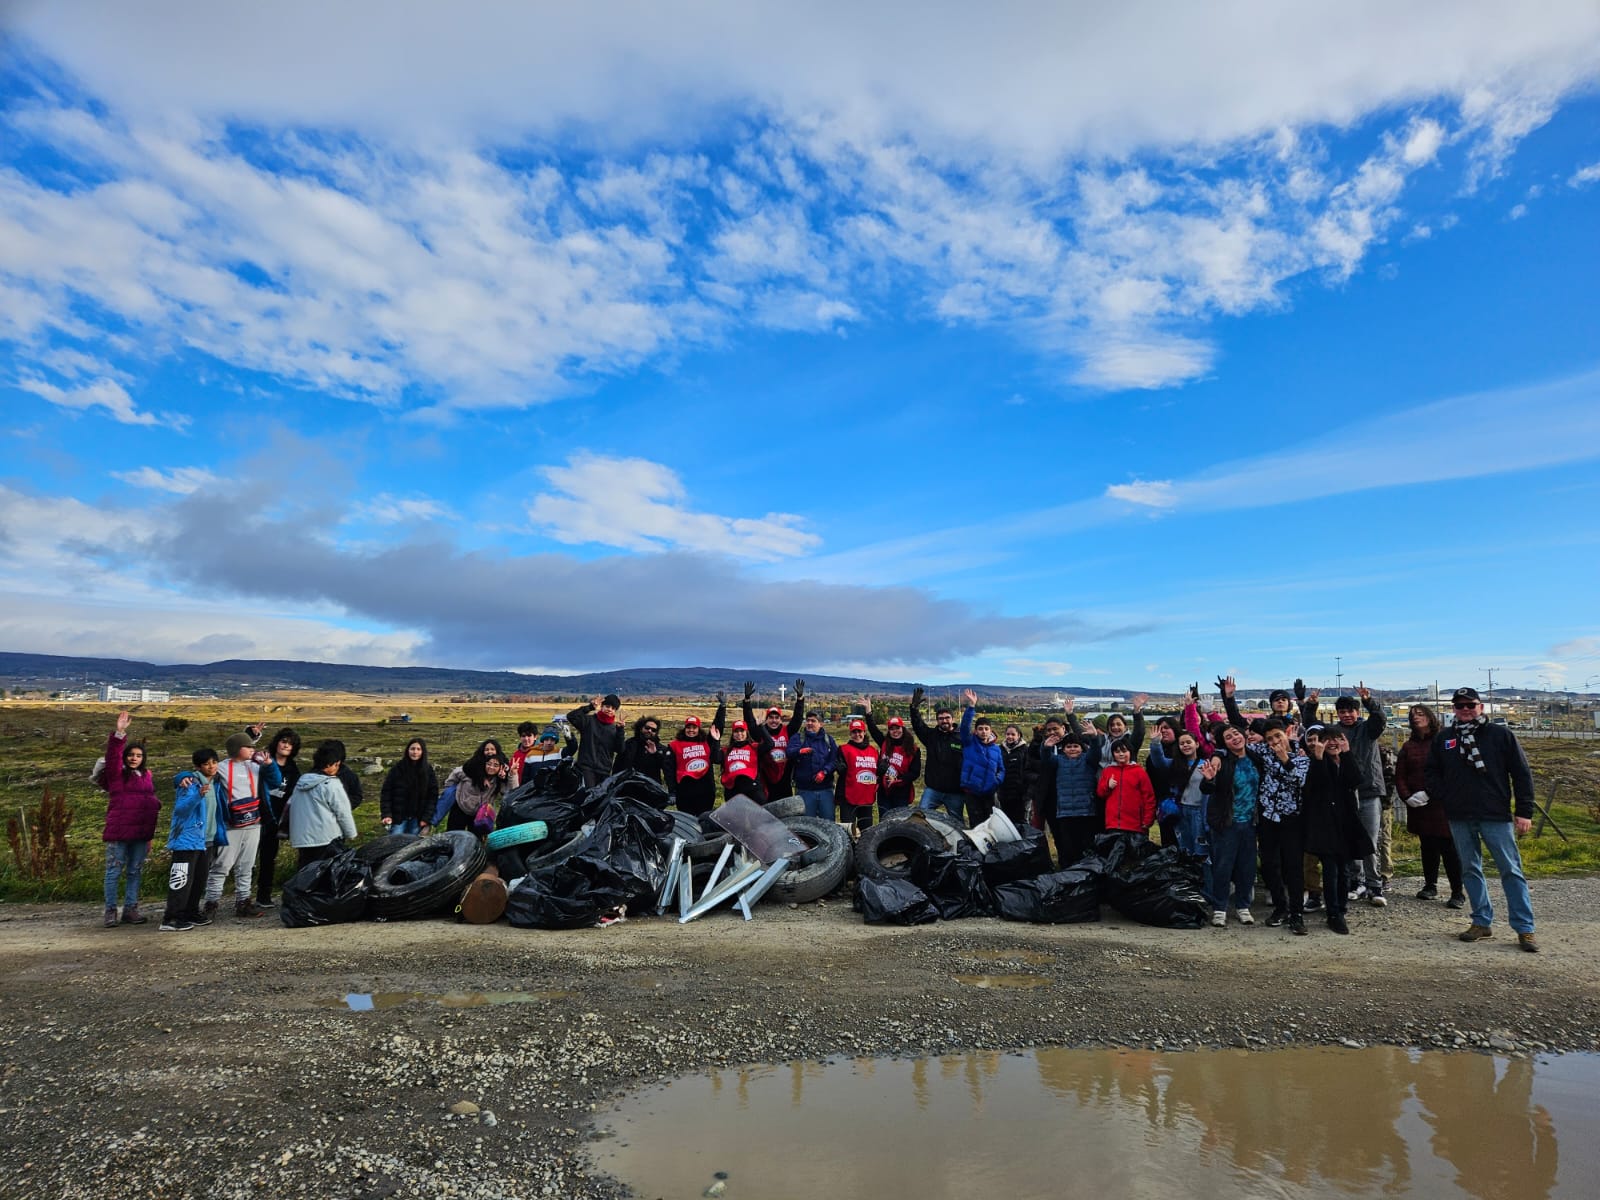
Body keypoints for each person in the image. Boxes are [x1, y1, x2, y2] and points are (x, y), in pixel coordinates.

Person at [1425, 687, 1539, 952]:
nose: (1465, 710)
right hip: (1459, 815)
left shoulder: (1500, 735)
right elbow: (1432, 771)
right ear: (1452, 709)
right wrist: (1445, 795)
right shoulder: (1444, 738)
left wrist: (1524, 811)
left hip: (1494, 814)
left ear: (1481, 707)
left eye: (1470, 705)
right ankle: (1481, 921)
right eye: (1459, 706)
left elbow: (1521, 774)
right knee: (1470, 868)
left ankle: (1525, 928)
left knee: (1511, 870)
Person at [1222, 677, 1310, 933]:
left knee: (1293, 866)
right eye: (1269, 738)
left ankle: (1297, 913)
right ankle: (1280, 906)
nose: (1273, 742)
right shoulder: (1261, 752)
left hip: (1292, 819)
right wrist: (1228, 700)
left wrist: (1285, 755)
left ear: (1287, 734)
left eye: (1277, 737)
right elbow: (1239, 728)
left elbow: (1298, 780)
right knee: (1270, 864)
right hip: (1268, 819)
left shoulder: (1301, 758)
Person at [1304, 682, 1387, 906]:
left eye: (1351, 710)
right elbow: (1311, 727)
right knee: (1348, 839)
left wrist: (1370, 701)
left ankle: (1374, 884)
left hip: (1368, 790)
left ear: (1357, 712)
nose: (1347, 715)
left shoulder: (1366, 729)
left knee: (1369, 840)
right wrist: (1311, 706)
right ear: (1337, 714)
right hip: (1343, 794)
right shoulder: (1334, 732)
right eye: (1342, 711)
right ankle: (1355, 881)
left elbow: (1380, 720)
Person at [1302, 724, 1371, 935]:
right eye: (1328, 739)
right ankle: (1333, 912)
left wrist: (1347, 753)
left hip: (1346, 823)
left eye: (1337, 738)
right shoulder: (1314, 763)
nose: (1333, 743)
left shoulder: (1348, 759)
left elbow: (1356, 780)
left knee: (1344, 870)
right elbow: (1319, 784)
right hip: (1325, 825)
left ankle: (1341, 906)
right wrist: (1319, 758)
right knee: (1331, 870)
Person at [1396, 704, 1464, 908]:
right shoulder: (1409, 746)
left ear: (1430, 716)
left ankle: (1457, 891)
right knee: (1427, 845)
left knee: (1448, 847)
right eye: (1412, 715)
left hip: (1442, 803)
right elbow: (1400, 775)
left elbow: (1451, 771)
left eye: (1420, 713)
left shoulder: (1444, 740)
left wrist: (1430, 792)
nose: (1416, 718)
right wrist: (1407, 797)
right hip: (1419, 805)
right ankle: (1430, 885)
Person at [98, 710, 159, 928]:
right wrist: (119, 733)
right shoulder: (117, 775)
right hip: (119, 833)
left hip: (141, 834)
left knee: (135, 871)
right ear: (125, 757)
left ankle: (131, 909)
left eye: (139, 755)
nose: (134, 758)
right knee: (114, 871)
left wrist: (150, 836)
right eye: (131, 755)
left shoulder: (147, 776)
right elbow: (112, 758)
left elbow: (150, 808)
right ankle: (110, 911)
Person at [159, 748, 227, 932]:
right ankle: (172, 918)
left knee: (199, 880)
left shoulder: (217, 781)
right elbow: (181, 810)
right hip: (187, 840)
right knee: (181, 880)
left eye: (214, 762)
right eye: (206, 763)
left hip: (207, 840)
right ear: (198, 766)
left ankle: (190, 912)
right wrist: (198, 796)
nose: (212, 766)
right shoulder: (190, 783)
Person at [1199, 725, 1259, 927]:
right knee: (1223, 867)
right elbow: (1207, 787)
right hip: (1227, 823)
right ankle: (1220, 908)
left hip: (1251, 823)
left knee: (1247, 867)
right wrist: (1208, 780)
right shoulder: (1222, 761)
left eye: (1236, 733)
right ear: (1223, 743)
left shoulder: (1255, 758)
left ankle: (1243, 906)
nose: (1234, 738)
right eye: (1228, 737)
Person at [205, 730, 266, 920]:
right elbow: (200, 772)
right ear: (237, 749)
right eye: (248, 746)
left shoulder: (255, 766)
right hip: (231, 825)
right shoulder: (222, 767)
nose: (252, 749)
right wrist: (181, 778)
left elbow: (274, 774)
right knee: (222, 865)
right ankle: (210, 903)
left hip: (254, 823)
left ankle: (243, 902)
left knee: (247, 866)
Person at [1037, 727, 1102, 868]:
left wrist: (1095, 738)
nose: (1072, 749)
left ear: (1082, 748)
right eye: (1068, 746)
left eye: (1076, 746)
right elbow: (1046, 759)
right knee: (1068, 846)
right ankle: (1069, 871)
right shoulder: (1058, 761)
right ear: (1063, 749)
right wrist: (1046, 747)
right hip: (1065, 812)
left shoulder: (1088, 760)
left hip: (1086, 811)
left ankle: (1088, 870)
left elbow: (1096, 753)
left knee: (1086, 844)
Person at [287, 740, 358, 867]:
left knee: (306, 872)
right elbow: (342, 812)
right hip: (327, 838)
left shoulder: (302, 781)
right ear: (333, 764)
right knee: (326, 872)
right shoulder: (331, 784)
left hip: (302, 838)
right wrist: (351, 833)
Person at [254, 727, 300, 911]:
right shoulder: (261, 759)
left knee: (268, 858)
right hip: (258, 814)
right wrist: (252, 734)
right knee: (247, 858)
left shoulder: (293, 768)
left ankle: (263, 896)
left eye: (290, 744)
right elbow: (242, 755)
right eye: (283, 741)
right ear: (277, 742)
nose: (286, 746)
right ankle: (241, 895)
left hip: (277, 819)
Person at [742, 679, 807, 800]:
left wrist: (800, 698)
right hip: (766, 777)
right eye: (770, 717)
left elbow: (797, 719)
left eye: (777, 718)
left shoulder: (787, 731)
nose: (774, 720)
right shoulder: (760, 732)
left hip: (785, 776)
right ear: (766, 719)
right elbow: (750, 722)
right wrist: (747, 701)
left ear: (780, 720)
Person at [910, 687, 966, 820]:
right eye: (941, 718)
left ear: (952, 719)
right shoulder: (931, 736)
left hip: (955, 792)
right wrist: (914, 709)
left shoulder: (962, 738)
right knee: (921, 817)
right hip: (933, 789)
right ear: (937, 721)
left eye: (947, 718)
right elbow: (918, 725)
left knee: (956, 822)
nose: (944, 721)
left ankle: (958, 842)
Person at [668, 700, 726, 816]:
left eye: (694, 728)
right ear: (684, 729)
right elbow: (670, 770)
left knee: (704, 819)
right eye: (688, 727)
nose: (691, 730)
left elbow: (717, 727)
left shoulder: (706, 742)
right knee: (688, 820)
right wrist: (672, 792)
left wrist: (722, 707)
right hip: (684, 790)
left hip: (705, 789)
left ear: (699, 729)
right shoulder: (675, 745)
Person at [957, 690, 1004, 825]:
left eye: (986, 728)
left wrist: (997, 781)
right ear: (976, 731)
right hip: (972, 792)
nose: (983, 731)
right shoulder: (969, 742)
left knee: (991, 823)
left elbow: (1001, 769)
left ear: (990, 730)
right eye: (980, 728)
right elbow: (965, 727)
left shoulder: (996, 749)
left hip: (990, 792)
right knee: (976, 824)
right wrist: (971, 707)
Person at [441, 741, 509, 833]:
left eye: (492, 749)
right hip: (461, 807)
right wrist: (449, 789)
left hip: (481, 813)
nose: (489, 752)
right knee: (453, 835)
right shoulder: (472, 766)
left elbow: (509, 790)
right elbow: (456, 773)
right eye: (487, 749)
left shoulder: (501, 768)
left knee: (476, 840)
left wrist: (509, 775)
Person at [864, 710, 920, 815]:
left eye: (897, 728)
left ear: (903, 729)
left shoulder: (913, 749)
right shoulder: (885, 743)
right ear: (889, 731)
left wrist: (898, 779)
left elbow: (915, 772)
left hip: (902, 792)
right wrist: (868, 713)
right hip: (884, 792)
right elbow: (873, 730)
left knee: (899, 822)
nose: (895, 731)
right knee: (884, 820)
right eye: (892, 729)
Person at [1097, 736, 1156, 836]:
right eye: (1117, 752)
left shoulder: (1139, 771)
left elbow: (1149, 797)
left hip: (1135, 824)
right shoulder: (1108, 771)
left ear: (1130, 752)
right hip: (1113, 824)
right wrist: (1108, 786)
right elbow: (1100, 793)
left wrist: (1148, 820)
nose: (1121, 754)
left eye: (1124, 751)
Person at [380, 737, 438, 836]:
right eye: (412, 749)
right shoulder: (397, 769)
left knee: (412, 846)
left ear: (423, 752)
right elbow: (386, 792)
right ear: (407, 750)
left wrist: (426, 818)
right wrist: (386, 814)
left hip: (417, 818)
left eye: (418, 749)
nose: (415, 752)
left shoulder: (428, 771)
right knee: (394, 844)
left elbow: (432, 796)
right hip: (398, 817)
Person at [567, 694, 626, 787]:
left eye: (613, 708)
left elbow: (620, 750)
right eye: (607, 706)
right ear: (601, 706)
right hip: (586, 768)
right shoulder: (588, 721)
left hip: (604, 771)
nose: (609, 709)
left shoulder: (615, 729)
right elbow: (571, 716)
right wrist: (590, 707)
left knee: (601, 799)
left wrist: (620, 731)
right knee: (589, 796)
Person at [790, 710, 839, 821]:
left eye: (813, 721)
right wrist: (799, 751)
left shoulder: (828, 740)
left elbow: (834, 760)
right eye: (808, 720)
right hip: (804, 790)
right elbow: (789, 752)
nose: (810, 723)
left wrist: (825, 772)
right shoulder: (798, 738)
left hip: (825, 790)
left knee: (828, 822)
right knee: (806, 824)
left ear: (821, 724)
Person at [835, 717, 881, 830]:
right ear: (850, 734)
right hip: (848, 798)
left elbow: (878, 773)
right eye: (854, 732)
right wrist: (840, 767)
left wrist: (882, 770)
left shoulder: (873, 751)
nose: (857, 734)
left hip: (867, 798)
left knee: (866, 832)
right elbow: (838, 767)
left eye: (859, 731)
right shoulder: (843, 749)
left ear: (864, 732)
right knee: (848, 832)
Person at [615, 715, 673, 793]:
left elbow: (667, 769)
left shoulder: (661, 749)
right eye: (647, 728)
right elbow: (618, 764)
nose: (650, 731)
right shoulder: (630, 744)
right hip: (627, 789)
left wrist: (655, 754)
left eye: (653, 730)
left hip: (651, 791)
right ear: (640, 728)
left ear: (656, 733)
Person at [719, 719, 769, 803]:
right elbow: (715, 758)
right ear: (732, 734)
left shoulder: (754, 747)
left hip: (752, 789)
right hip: (733, 790)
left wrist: (761, 727)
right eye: (736, 731)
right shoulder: (726, 750)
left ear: (746, 733)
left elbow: (770, 744)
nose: (739, 734)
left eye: (742, 731)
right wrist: (716, 740)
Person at [996, 724, 1032, 827]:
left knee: (1022, 823)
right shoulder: (999, 749)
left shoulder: (1025, 750)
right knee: (1006, 824)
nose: (1010, 737)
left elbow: (1028, 771)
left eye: (1013, 734)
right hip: (1004, 794)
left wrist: (1026, 792)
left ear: (1019, 735)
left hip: (1021, 796)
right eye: (1008, 734)